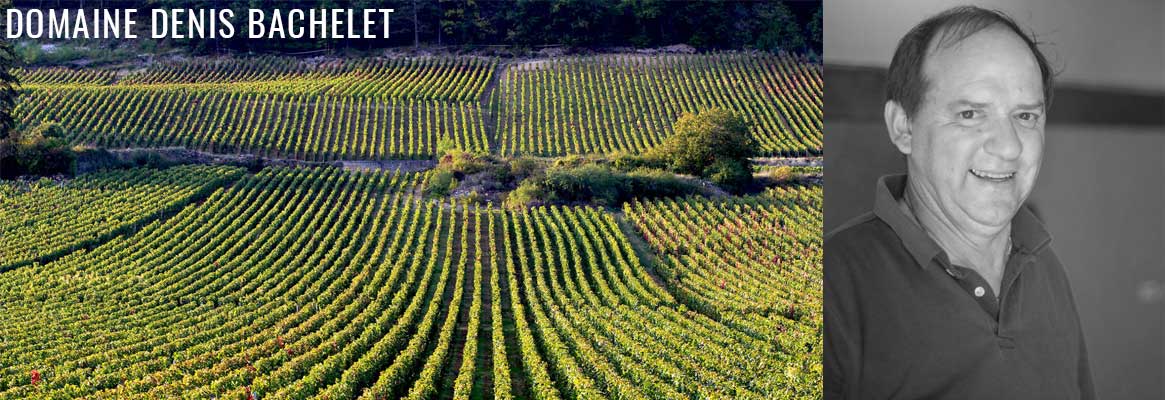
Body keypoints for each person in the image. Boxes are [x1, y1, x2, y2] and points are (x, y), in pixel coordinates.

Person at [824, 6, 1095, 399]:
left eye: (1025, 116)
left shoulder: (1046, 267)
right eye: (970, 114)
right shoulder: (831, 285)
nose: (1009, 147)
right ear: (903, 128)